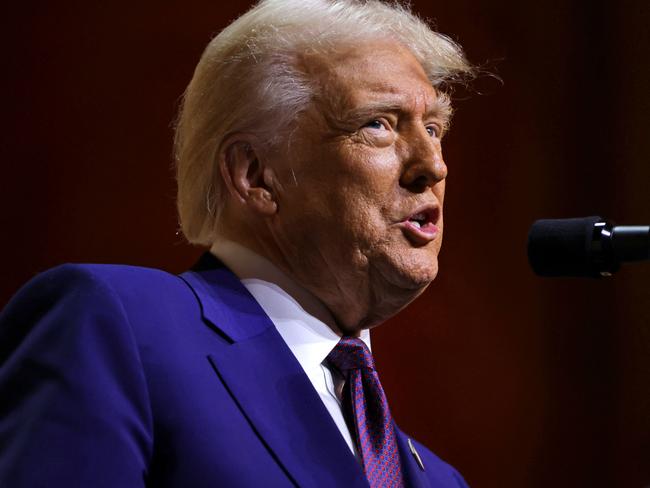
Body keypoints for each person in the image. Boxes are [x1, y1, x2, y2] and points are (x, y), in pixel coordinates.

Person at [0, 0, 474, 486]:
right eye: (378, 124)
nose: (434, 166)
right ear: (255, 176)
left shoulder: (439, 478)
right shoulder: (116, 327)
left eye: (433, 128)